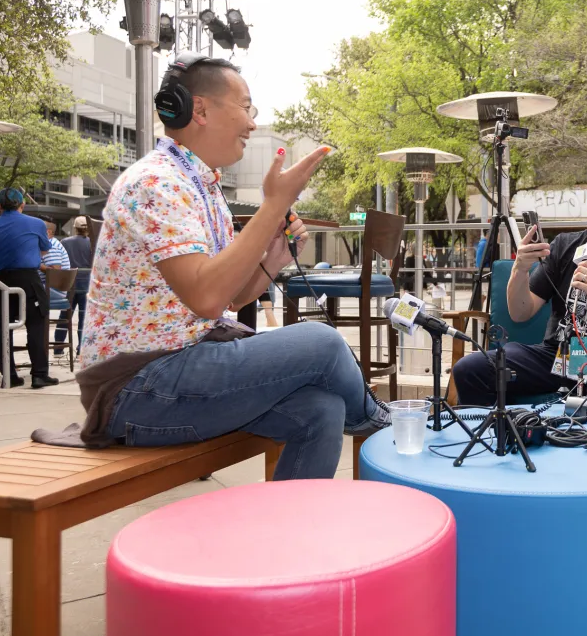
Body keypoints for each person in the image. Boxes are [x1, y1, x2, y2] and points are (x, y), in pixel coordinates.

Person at [77, 53, 388, 479]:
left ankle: (286, 541)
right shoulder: (156, 183)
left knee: (321, 408)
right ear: (200, 109)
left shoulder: (203, 186)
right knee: (323, 343)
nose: (252, 123)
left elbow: (229, 298)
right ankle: (380, 422)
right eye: (246, 107)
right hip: (135, 388)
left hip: (182, 369)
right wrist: (275, 203)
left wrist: (270, 260)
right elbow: (206, 299)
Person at [452, 163, 587, 405]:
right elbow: (520, 312)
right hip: (555, 356)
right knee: (470, 368)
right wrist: (520, 269)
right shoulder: (565, 245)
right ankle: (496, 435)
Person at [0, 189, 57, 388]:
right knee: (36, 325)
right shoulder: (37, 224)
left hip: (2, 281)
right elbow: (45, 248)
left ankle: (9, 375)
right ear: (22, 204)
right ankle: (39, 374)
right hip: (29, 279)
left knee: (5, 327)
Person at [58, 217, 93, 354]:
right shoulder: (92, 243)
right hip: (86, 285)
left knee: (64, 316)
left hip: (69, 284)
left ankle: (59, 347)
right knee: (84, 318)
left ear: (75, 228)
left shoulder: (65, 242)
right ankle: (81, 349)